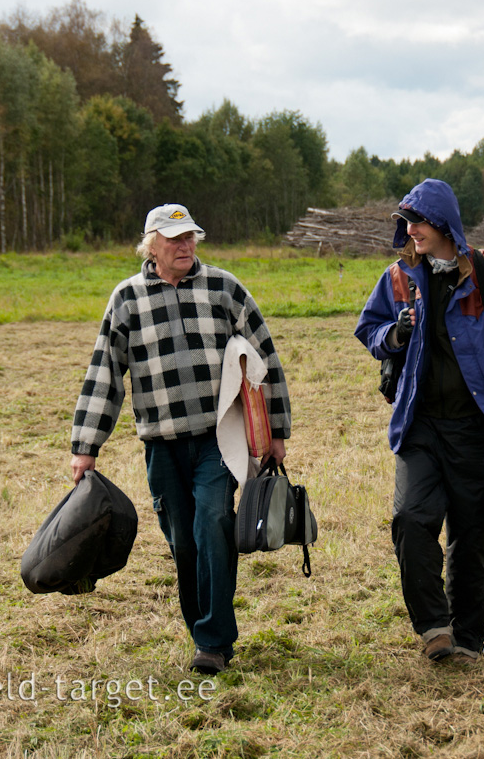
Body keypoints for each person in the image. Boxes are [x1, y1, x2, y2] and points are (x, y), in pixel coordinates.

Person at [69, 203, 291, 675]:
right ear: (152, 245)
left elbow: (265, 358)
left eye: (190, 237)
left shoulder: (225, 288)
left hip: (219, 440)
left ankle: (212, 640)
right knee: (183, 543)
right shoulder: (126, 299)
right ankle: (202, 631)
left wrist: (277, 431)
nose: (186, 246)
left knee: (213, 524)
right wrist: (86, 447)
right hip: (162, 444)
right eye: (175, 239)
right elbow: (105, 374)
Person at [354, 179, 484, 665]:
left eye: (417, 221)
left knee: (471, 536)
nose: (410, 231)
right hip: (418, 425)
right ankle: (434, 627)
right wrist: (393, 335)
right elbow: (369, 329)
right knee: (410, 520)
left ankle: (467, 639)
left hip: (477, 429)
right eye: (406, 223)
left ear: (443, 223)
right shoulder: (398, 277)